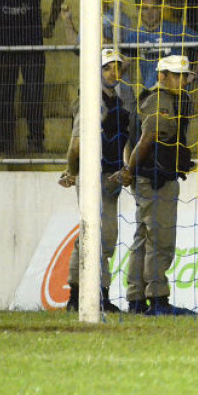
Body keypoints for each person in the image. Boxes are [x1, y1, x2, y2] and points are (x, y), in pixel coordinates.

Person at [110, 54, 195, 314]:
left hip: (152, 178)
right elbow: (145, 139)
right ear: (162, 76)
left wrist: (131, 171)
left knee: (143, 238)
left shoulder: (161, 98)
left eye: (184, 75)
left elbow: (132, 138)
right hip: (156, 180)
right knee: (161, 240)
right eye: (177, 75)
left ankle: (136, 299)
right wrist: (129, 170)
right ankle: (157, 298)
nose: (182, 80)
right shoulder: (161, 101)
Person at [58, 49, 135, 314]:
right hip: (92, 177)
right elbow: (76, 145)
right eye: (107, 68)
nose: (114, 73)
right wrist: (73, 172)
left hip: (111, 177)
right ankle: (79, 295)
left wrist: (125, 168)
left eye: (117, 68)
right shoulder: (90, 102)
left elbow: (123, 141)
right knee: (92, 235)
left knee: (104, 238)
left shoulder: (118, 102)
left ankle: (96, 294)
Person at [0, 0, 65, 155]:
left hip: (31, 46)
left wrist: (51, 24)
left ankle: (36, 141)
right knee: (3, 95)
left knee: (33, 95)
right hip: (4, 46)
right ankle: (4, 142)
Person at [127, 0, 198, 90]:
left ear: (160, 9)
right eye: (145, 9)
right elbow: (123, 64)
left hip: (177, 93)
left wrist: (195, 71)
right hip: (151, 92)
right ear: (139, 11)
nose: (150, 13)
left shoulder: (176, 30)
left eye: (154, 8)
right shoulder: (134, 36)